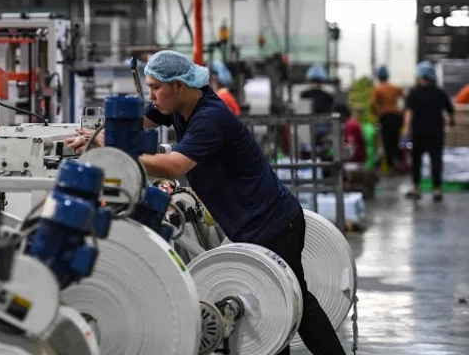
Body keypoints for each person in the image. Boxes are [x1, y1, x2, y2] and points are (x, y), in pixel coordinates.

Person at [68, 50, 345, 355]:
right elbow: (139, 123)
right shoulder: (179, 106)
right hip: (252, 224)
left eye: (156, 87)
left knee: (286, 305)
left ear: (179, 85)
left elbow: (175, 166)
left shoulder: (210, 116)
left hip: (273, 224)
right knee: (279, 305)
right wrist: (98, 135)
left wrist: (115, 152)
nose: (152, 95)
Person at [402, 61, 455, 201]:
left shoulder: (414, 93)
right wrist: (451, 123)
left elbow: (409, 113)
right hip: (436, 133)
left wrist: (406, 129)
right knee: (436, 160)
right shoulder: (440, 93)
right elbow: (450, 112)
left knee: (416, 161)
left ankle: (416, 189)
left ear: (421, 76)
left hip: (418, 133)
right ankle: (437, 190)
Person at [369, 65, 405, 171]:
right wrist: (402, 111)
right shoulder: (395, 88)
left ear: (379, 77)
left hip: (385, 118)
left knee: (387, 142)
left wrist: (376, 114)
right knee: (396, 140)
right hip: (397, 117)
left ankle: (391, 165)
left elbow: (372, 104)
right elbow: (404, 98)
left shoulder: (377, 89)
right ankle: (398, 161)